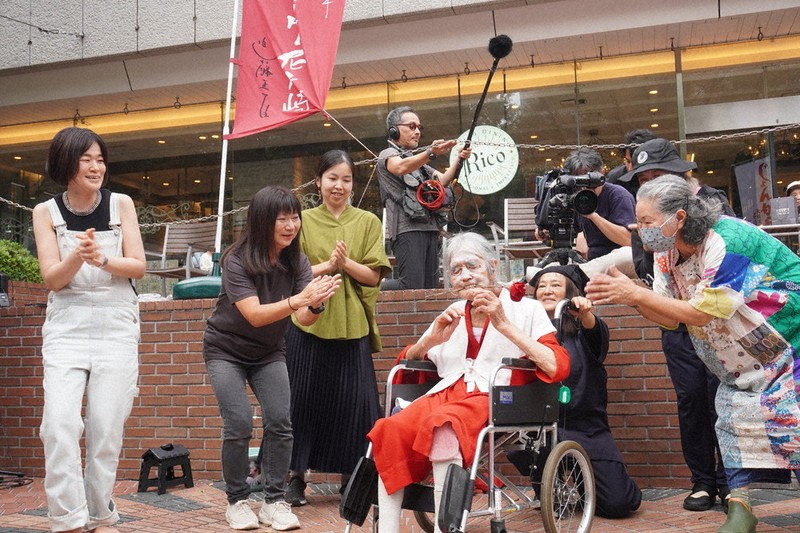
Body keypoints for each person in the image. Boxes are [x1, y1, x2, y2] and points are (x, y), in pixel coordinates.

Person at [586, 175, 800, 533]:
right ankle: (740, 507)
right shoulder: (665, 253)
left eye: (648, 222)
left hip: (789, 341)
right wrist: (632, 296)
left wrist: (637, 295)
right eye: (639, 222)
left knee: (790, 421)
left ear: (680, 218)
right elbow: (671, 319)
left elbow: (703, 311)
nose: (640, 230)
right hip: (739, 357)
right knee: (731, 420)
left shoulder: (731, 239)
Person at [366, 232, 570, 533]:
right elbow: (411, 362)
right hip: (447, 392)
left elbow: (556, 365)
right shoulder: (450, 314)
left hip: (497, 397)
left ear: (492, 266)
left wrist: (503, 324)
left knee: (443, 424)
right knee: (390, 429)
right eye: (456, 270)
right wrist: (429, 339)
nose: (464, 276)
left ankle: (445, 529)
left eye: (471, 266)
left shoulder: (526, 309)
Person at [203, 186, 341, 531]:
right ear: (264, 221)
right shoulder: (236, 259)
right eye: (283, 218)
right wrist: (300, 300)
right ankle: (237, 501)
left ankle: (275, 501)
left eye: (295, 217)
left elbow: (304, 319)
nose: (291, 225)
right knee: (238, 423)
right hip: (226, 350)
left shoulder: (298, 261)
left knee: (280, 421)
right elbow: (255, 315)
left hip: (268, 352)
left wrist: (316, 303)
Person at [32, 127, 146, 533]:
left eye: (100, 159)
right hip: (68, 322)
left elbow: (138, 266)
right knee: (59, 424)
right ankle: (66, 518)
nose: (97, 166)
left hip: (116, 322)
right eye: (87, 159)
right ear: (66, 164)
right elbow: (52, 279)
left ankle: (98, 513)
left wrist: (101, 259)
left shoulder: (122, 204)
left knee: (105, 428)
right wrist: (79, 258)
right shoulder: (45, 212)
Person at [622, 138, 735, 513]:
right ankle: (702, 481)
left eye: (656, 175)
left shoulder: (716, 213)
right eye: (642, 177)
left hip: (721, 328)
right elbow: (660, 293)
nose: (647, 182)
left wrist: (641, 298)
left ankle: (732, 483)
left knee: (723, 401)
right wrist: (637, 296)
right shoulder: (654, 232)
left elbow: (717, 294)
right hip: (678, 326)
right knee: (690, 401)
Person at [284, 150, 392, 505]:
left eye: (346, 179)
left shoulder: (368, 221)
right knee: (301, 401)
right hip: (307, 323)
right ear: (318, 181)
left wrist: (345, 264)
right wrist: (327, 266)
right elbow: (293, 274)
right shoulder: (302, 220)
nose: (339, 186)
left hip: (352, 324)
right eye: (332, 178)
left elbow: (374, 275)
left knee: (357, 404)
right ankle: (295, 476)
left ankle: (353, 478)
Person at [529, 264, 642, 518]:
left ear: (569, 291)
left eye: (556, 285)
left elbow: (594, 331)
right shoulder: (526, 329)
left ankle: (589, 482)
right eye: (542, 286)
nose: (547, 290)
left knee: (618, 504)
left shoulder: (582, 330)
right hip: (543, 428)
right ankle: (548, 486)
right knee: (538, 448)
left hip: (587, 427)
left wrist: (584, 313)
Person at [377, 105, 472, 290]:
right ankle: (369, 287)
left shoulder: (418, 161)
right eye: (412, 126)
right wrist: (431, 152)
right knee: (411, 285)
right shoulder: (388, 154)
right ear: (394, 130)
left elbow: (443, 180)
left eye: (420, 127)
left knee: (429, 287)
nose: (417, 131)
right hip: (406, 230)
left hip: (430, 228)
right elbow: (400, 167)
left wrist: (458, 159)